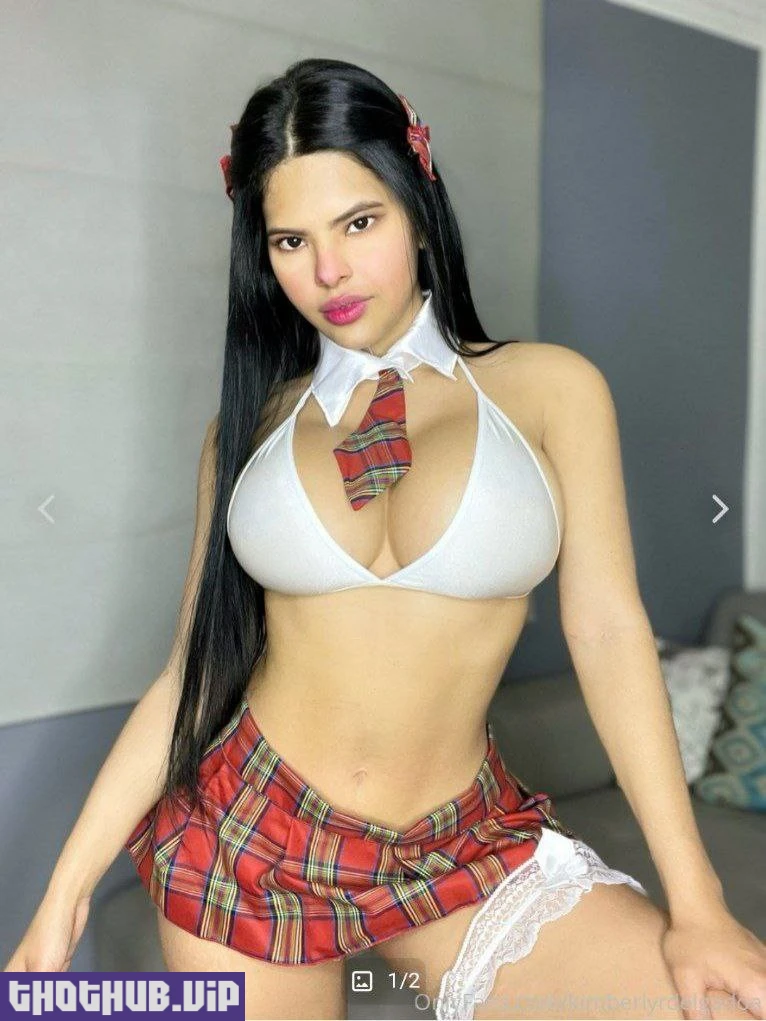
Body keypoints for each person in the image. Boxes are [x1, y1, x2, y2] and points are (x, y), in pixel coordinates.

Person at [6, 57, 764, 1021]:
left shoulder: (552, 389)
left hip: (460, 841)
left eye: (358, 223)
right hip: (249, 838)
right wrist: (62, 899)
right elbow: (189, 677)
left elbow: (610, 633)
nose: (328, 270)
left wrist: (698, 902)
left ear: (418, 206)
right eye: (292, 240)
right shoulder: (245, 431)